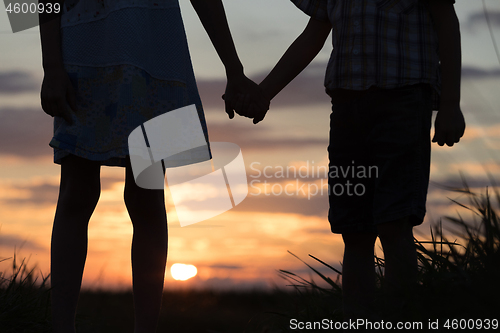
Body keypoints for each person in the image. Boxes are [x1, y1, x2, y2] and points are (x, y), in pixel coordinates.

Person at [227, 0, 466, 320]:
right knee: (354, 228)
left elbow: (446, 20)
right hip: (347, 107)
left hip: (404, 99)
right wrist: (264, 93)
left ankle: (401, 320)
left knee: (395, 221)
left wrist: (450, 103)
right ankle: (357, 321)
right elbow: (314, 34)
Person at [39, 1, 267, 332]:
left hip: (156, 57)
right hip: (82, 54)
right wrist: (52, 67)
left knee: (147, 196)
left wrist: (234, 70)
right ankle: (61, 326)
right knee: (77, 190)